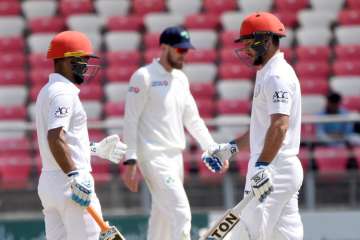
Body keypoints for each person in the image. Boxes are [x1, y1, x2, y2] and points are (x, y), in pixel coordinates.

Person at [202, 12, 304, 240]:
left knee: (248, 234)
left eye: (249, 43)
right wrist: (230, 148)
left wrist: (262, 166)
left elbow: (280, 125)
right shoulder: (267, 73)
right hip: (278, 167)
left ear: (266, 40)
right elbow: (263, 129)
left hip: (273, 169)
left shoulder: (276, 76)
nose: (246, 49)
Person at [122, 26, 222, 240]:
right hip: (153, 157)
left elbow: (193, 119)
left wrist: (212, 149)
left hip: (175, 158)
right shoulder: (143, 77)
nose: (184, 55)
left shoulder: (181, 79)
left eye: (186, 51)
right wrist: (130, 161)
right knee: (181, 213)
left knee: (162, 219)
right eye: (179, 50)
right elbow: (131, 119)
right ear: (164, 48)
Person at [36, 31, 127, 240]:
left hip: (49, 183)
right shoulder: (64, 93)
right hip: (71, 184)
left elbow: (62, 139)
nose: (86, 66)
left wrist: (95, 149)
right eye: (82, 60)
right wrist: (74, 175)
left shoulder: (47, 90)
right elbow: (55, 137)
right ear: (66, 60)